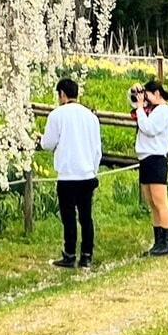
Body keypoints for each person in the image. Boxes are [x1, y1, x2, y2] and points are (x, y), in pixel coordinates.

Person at [40, 76, 103, 269]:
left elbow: (48, 144)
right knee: (86, 217)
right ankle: (86, 255)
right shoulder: (91, 117)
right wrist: (93, 168)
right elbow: (97, 148)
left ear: (62, 94)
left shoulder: (57, 115)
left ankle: (69, 254)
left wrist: (40, 139)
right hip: (87, 173)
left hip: (67, 174)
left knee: (69, 217)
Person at [131, 78, 168, 255]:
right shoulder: (152, 109)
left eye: (147, 97)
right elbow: (134, 102)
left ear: (157, 94)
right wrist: (135, 92)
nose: (145, 102)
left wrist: (141, 108)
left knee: (160, 201)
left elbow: (148, 128)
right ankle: (158, 241)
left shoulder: (164, 111)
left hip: (156, 158)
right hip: (145, 158)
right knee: (151, 202)